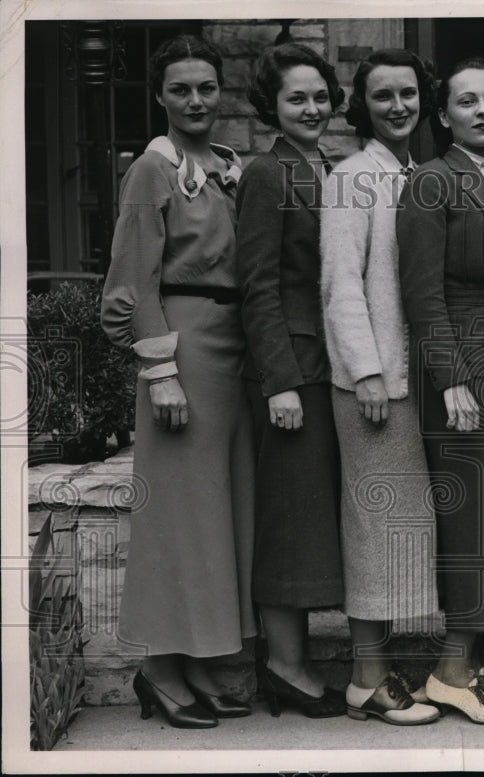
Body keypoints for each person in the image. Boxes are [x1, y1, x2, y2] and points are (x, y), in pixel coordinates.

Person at [101, 34, 255, 728]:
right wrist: (161, 371)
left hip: (232, 351)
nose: (196, 100)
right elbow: (131, 284)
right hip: (182, 350)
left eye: (206, 87)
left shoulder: (226, 168)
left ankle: (196, 658)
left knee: (215, 520)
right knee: (175, 518)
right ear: (161, 96)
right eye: (181, 89)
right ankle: (158, 668)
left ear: (220, 92)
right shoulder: (152, 171)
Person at [396, 57, 484, 725]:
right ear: (442, 115)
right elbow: (422, 294)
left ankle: (463, 662)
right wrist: (450, 377)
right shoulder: (430, 181)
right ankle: (449, 669)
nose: (483, 110)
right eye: (467, 101)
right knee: (476, 522)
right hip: (464, 374)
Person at [320, 48, 441, 726]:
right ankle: (365, 678)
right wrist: (365, 370)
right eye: (383, 95)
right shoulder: (350, 178)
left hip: (414, 380)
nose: (398, 105)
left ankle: (383, 664)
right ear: (362, 105)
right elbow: (340, 285)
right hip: (374, 384)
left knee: (402, 532)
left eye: (408, 93)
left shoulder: (416, 175)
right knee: (374, 528)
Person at [237, 42, 347, 718]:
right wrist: (278, 378)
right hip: (292, 371)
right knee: (287, 520)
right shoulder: (266, 173)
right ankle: (284, 664)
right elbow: (258, 285)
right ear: (271, 107)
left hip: (330, 365)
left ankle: (294, 660)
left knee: (311, 519)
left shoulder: (331, 168)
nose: (311, 108)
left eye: (318, 96)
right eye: (296, 98)